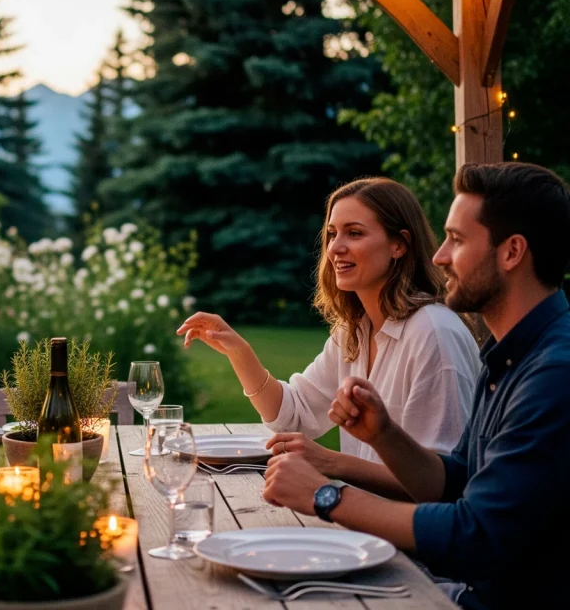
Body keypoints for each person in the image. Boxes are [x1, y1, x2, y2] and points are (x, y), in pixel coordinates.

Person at [262, 162, 570, 609]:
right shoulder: (510, 355)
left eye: (457, 240)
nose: (440, 256)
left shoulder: (553, 374)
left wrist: (325, 495)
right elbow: (457, 478)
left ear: (512, 252)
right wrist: (385, 435)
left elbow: (475, 534)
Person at [177, 177, 480, 498]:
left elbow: (443, 485)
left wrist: (332, 463)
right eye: (332, 234)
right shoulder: (354, 331)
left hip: (411, 528)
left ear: (399, 245)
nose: (335, 247)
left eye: (355, 233)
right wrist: (240, 353)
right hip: (362, 519)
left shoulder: (433, 334)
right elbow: (294, 415)